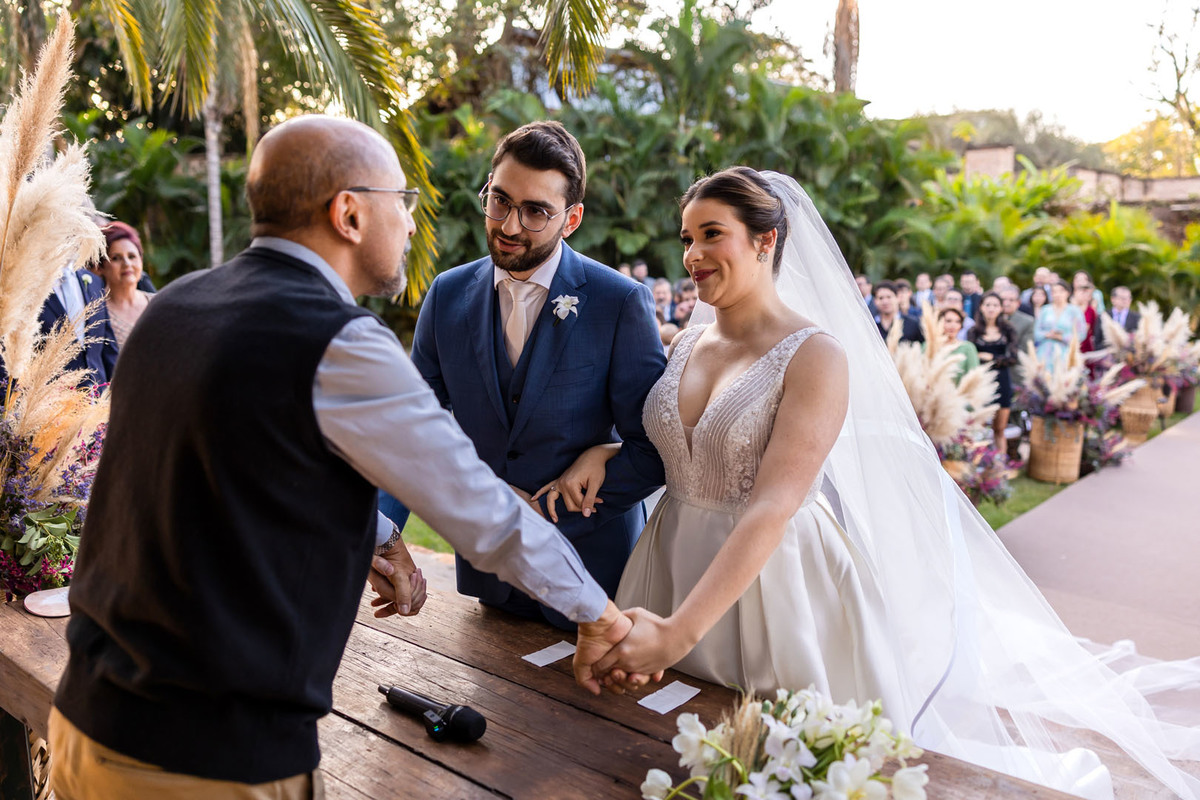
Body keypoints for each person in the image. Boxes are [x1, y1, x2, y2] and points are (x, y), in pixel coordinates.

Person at [545, 168, 1200, 800]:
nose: (692, 254)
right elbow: (684, 442)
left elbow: (776, 501)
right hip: (670, 558)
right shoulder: (685, 343)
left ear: (766, 239)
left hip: (776, 586)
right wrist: (605, 451)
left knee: (784, 764)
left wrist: (679, 631)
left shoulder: (815, 354)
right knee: (664, 750)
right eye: (686, 238)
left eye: (712, 233)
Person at [49, 116, 637, 800]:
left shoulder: (175, 304)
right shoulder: (340, 342)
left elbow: (236, 472)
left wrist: (379, 536)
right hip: (209, 761)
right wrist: (603, 617)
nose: (413, 226)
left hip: (87, 725)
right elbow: (486, 514)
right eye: (402, 203)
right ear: (350, 213)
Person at [406, 120, 666, 630]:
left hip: (596, 579)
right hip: (490, 578)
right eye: (499, 200)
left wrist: (545, 515)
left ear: (571, 220)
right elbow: (413, 427)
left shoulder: (619, 302)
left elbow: (654, 449)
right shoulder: (446, 294)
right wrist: (383, 533)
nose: (507, 226)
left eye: (535, 212)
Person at [36, 263, 117, 387]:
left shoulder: (94, 281)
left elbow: (108, 347)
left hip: (98, 397)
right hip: (52, 398)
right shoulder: (30, 285)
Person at [968, 292, 1018, 451]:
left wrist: (992, 357)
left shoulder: (1008, 329)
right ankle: (980, 463)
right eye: (987, 305)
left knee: (999, 429)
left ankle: (1000, 466)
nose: (991, 308)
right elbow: (969, 355)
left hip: (1002, 380)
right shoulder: (974, 331)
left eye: (995, 305)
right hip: (981, 381)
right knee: (979, 427)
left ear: (1001, 308)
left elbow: (1013, 357)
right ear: (981, 307)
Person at [95, 221, 153, 349]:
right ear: (101, 267)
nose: (127, 264)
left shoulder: (157, 303)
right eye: (116, 258)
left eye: (132, 256)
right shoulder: (96, 314)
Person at [1034, 280, 1087, 368]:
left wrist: (1062, 337)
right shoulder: (1045, 310)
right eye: (1054, 291)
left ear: (1068, 293)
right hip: (1045, 352)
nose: (1057, 294)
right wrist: (1047, 334)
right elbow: (1036, 332)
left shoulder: (1074, 311)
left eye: (1061, 291)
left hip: (1066, 352)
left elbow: (1081, 334)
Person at [999, 286, 1035, 383]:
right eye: (1003, 299)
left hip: (1014, 373)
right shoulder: (990, 318)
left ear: (1018, 303)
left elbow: (1024, 350)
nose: (1006, 303)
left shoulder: (1028, 321)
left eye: (1011, 300)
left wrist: (997, 358)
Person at [935, 307, 979, 383]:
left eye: (957, 322)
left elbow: (974, 378)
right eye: (948, 321)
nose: (953, 325)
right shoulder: (929, 346)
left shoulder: (968, 348)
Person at [1071, 280, 1099, 353]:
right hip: (1071, 342)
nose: (1083, 296)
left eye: (1086, 293)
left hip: (1086, 344)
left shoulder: (1091, 311)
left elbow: (1093, 329)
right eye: (1081, 292)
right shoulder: (1070, 309)